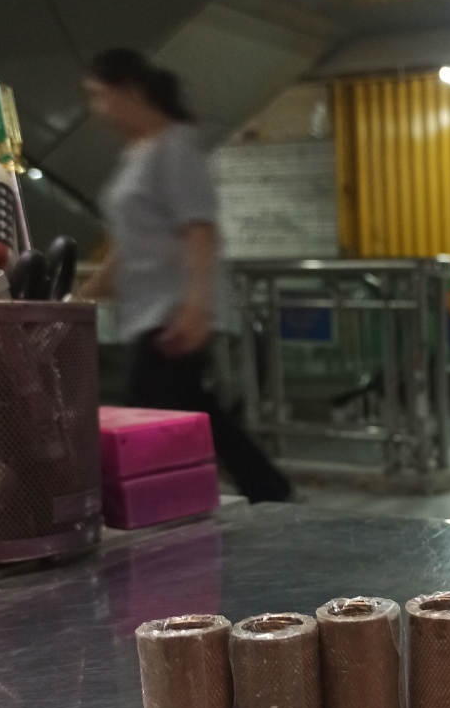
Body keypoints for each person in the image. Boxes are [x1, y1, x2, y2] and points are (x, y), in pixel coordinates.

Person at [79, 47, 291, 503]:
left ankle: (152, 501)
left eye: (100, 95)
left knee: (149, 413)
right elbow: (127, 242)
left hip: (173, 311)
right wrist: (88, 292)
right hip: (147, 310)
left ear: (129, 90)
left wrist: (196, 305)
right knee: (191, 409)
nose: (97, 109)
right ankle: (267, 488)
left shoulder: (176, 146)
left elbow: (199, 229)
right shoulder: (136, 154)